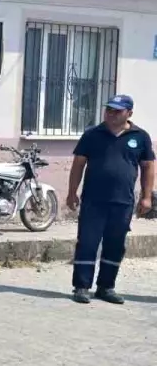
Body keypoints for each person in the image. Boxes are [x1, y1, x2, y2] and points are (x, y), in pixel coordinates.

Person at [67, 94, 154, 304]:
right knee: (87, 243)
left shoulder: (140, 136)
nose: (111, 114)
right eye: (109, 110)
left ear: (129, 113)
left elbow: (148, 167)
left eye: (117, 111)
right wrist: (72, 192)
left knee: (115, 245)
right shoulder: (92, 134)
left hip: (123, 202)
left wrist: (146, 197)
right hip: (93, 200)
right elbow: (78, 164)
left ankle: (106, 287)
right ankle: (81, 287)